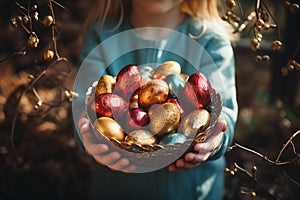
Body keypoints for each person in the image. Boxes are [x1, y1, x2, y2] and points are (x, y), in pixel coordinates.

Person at [73, 0, 238, 199]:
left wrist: (215, 140)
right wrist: (88, 137)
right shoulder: (101, 35)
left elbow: (224, 111)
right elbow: (84, 106)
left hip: (192, 192)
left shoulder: (212, 40)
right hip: (118, 190)